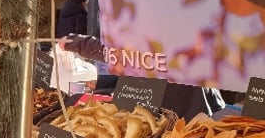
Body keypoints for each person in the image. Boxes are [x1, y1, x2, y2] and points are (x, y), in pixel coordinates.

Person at [60, 33, 225, 120]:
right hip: (146, 106)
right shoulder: (134, 20)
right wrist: (75, 43)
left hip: (190, 108)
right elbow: (114, 51)